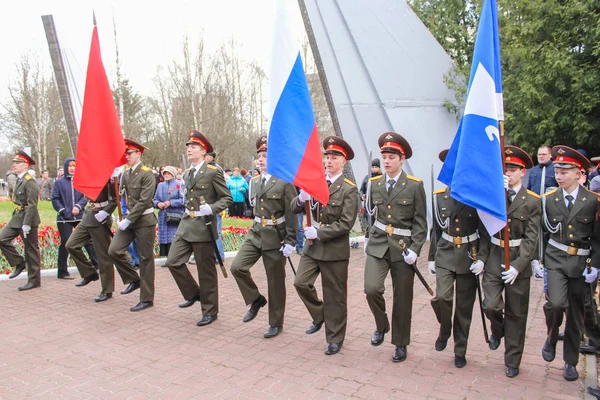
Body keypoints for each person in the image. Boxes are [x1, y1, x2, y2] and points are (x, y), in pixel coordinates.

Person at [363, 132, 427, 362]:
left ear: (402, 159)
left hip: (402, 247)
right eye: (385, 156)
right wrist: (367, 236)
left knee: (402, 297)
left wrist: (416, 249)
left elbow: (421, 224)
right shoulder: (373, 184)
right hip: (379, 244)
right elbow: (368, 214)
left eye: (392, 157)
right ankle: (382, 324)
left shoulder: (414, 186)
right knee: (371, 288)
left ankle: (400, 343)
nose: (387, 161)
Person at [478, 146, 541, 378]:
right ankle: (498, 328)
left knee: (516, 312)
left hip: (516, 259)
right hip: (495, 255)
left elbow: (532, 238)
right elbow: (485, 230)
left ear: (523, 172)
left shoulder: (532, 201)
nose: (509, 173)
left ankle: (512, 359)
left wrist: (519, 265)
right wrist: (482, 258)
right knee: (491, 305)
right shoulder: (495, 195)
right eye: (506, 169)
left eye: (513, 169)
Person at [292, 136, 359, 355]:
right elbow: (294, 207)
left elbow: (346, 223)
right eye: (327, 157)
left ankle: (335, 338)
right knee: (300, 283)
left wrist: (319, 232)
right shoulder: (314, 181)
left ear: (344, 161)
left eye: (334, 157)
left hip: (333, 249)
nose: (329, 161)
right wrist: (301, 199)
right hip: (313, 248)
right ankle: (320, 315)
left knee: (335, 296)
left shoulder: (348, 189)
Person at [541, 146, 600, 382]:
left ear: (579, 173)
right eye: (557, 170)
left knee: (576, 314)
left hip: (581, 263)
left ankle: (570, 362)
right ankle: (551, 335)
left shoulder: (593, 201)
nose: (559, 175)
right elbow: (542, 233)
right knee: (555, 304)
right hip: (555, 258)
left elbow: (598, 238)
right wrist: (539, 260)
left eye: (565, 171)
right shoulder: (548, 199)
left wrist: (595, 265)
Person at [230, 135, 298, 338]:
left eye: (265, 155)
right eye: (259, 155)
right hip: (256, 232)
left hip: (276, 236)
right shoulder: (255, 181)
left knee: (275, 282)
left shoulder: (285, 182)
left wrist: (291, 240)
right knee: (237, 267)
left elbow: (292, 212)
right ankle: (256, 299)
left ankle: (275, 322)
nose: (260, 159)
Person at [427, 149, 486, 369]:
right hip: (444, 251)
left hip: (469, 255)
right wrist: (431, 257)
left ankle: (460, 349)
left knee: (464, 307)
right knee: (442, 297)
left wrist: (482, 257)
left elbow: (486, 232)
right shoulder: (438, 196)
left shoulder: (475, 196)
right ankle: (444, 329)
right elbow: (435, 229)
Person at [166, 130, 232, 326]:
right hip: (187, 223)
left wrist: (211, 208)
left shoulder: (213, 171)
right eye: (188, 146)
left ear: (204, 151)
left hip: (204, 226)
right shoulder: (187, 174)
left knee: (206, 272)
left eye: (193, 147)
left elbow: (226, 198)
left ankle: (210, 311)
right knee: (173, 261)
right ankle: (194, 294)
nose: (189, 149)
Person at [108, 139, 158, 312]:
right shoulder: (125, 173)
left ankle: (146, 298)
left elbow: (144, 200)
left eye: (130, 153)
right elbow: (122, 196)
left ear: (139, 154)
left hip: (144, 221)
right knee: (114, 250)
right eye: (126, 154)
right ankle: (133, 279)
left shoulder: (147, 173)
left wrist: (129, 219)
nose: (127, 157)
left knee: (145, 259)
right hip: (129, 220)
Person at [67, 174, 124, 302]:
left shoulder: (108, 176)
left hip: (100, 218)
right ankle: (89, 273)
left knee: (103, 256)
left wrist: (106, 212)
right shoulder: (90, 175)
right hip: (88, 216)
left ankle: (107, 290)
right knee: (71, 245)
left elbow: (115, 199)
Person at [51, 157, 99, 280]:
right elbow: (55, 199)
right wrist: (63, 211)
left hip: (79, 216)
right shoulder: (59, 182)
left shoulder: (80, 181)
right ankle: (62, 271)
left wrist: (78, 206)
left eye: (74, 166)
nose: (72, 168)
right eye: (70, 166)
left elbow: (85, 197)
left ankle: (97, 264)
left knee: (88, 240)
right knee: (66, 242)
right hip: (64, 218)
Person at [0, 150, 41, 290]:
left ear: (26, 164)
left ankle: (34, 280)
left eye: (18, 163)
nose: (15, 165)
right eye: (14, 162)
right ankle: (19, 262)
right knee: (2, 238)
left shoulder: (30, 181)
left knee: (31, 250)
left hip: (27, 218)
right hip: (17, 216)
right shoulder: (19, 179)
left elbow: (32, 204)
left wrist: (27, 224)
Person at [154, 166, 184, 257]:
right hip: (163, 216)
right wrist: (158, 204)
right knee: (164, 238)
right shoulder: (160, 185)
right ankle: (166, 257)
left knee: (173, 237)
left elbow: (183, 200)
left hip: (174, 215)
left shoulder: (179, 185)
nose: (166, 175)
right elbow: (155, 199)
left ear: (173, 174)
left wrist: (171, 203)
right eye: (165, 173)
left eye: (169, 173)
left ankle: (174, 257)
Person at [359, 158, 382, 235]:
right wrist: (362, 196)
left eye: (376, 167)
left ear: (379, 168)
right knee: (370, 226)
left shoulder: (382, 178)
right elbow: (361, 190)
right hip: (368, 207)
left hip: (379, 207)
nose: (374, 169)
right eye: (373, 167)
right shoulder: (367, 178)